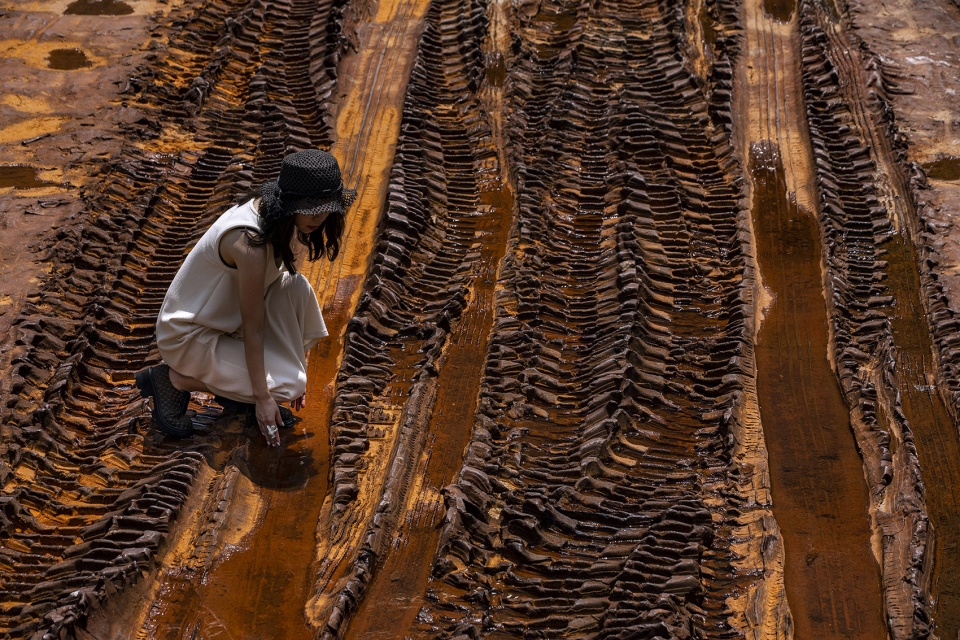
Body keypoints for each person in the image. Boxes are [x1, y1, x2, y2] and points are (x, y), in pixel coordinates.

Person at [136, 149, 356, 446]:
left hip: (224, 324)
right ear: (291, 201)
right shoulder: (249, 242)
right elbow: (254, 329)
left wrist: (294, 362)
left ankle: (242, 389)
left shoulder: (277, 214)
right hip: (188, 337)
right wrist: (265, 398)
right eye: (309, 207)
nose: (318, 216)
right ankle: (174, 380)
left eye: (325, 207)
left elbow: (277, 297)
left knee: (294, 286)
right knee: (289, 384)